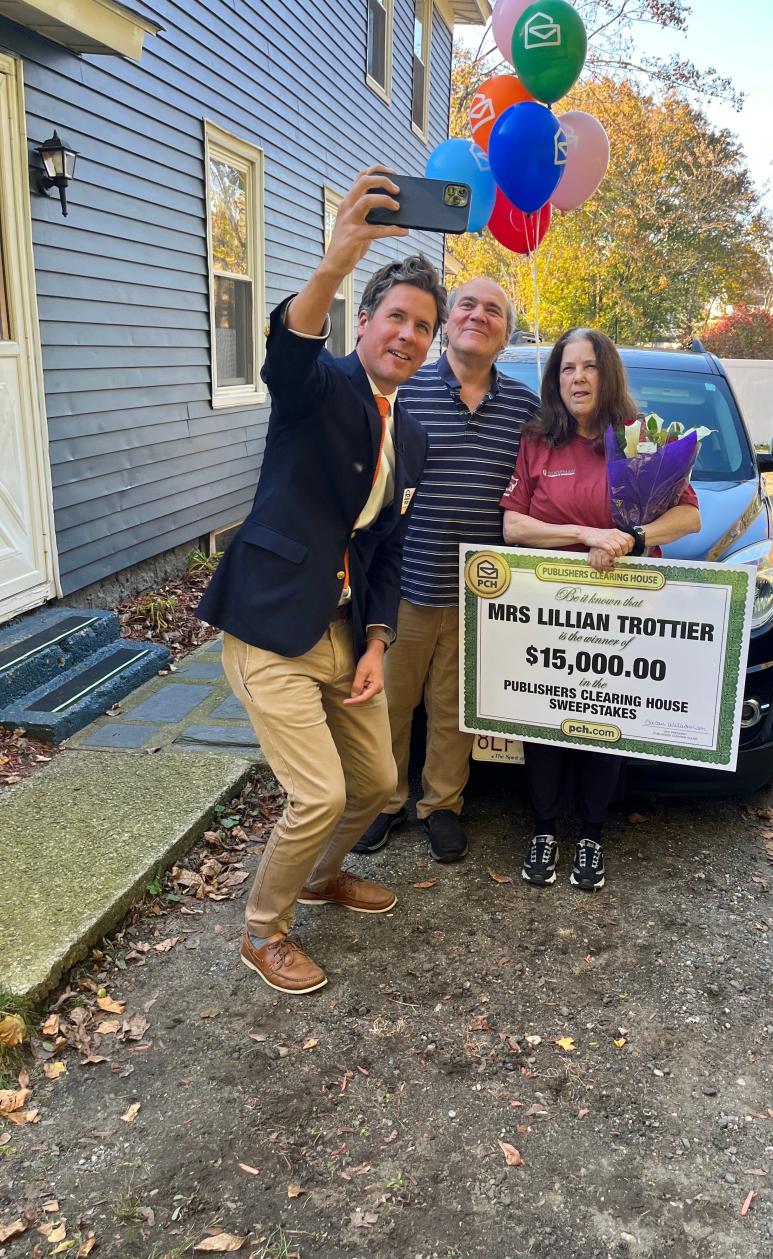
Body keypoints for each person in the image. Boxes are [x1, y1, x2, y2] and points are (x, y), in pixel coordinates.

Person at [197, 166, 445, 993]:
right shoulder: (321, 387)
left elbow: (386, 547)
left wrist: (378, 638)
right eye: (397, 318)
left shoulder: (410, 435)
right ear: (366, 321)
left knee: (377, 785)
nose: (409, 336)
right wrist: (335, 262)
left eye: (424, 328)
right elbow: (287, 355)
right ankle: (262, 931)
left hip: (345, 634)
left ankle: (318, 877)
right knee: (317, 794)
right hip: (271, 628)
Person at [500, 327, 701, 891]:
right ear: (555, 378)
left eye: (589, 367)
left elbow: (689, 518)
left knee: (604, 718)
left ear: (607, 374)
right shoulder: (538, 439)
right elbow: (513, 525)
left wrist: (632, 538)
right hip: (546, 606)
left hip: (620, 607)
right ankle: (543, 828)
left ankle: (590, 834)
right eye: (567, 368)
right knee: (542, 721)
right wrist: (587, 533)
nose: (578, 378)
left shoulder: (639, 439)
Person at [353, 279, 540, 863]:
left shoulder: (525, 408)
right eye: (467, 305)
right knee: (389, 703)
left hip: (482, 593)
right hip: (404, 583)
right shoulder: (406, 388)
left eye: (494, 311)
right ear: (445, 323)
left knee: (455, 708)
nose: (479, 316)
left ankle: (441, 807)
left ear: (505, 334)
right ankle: (382, 803)